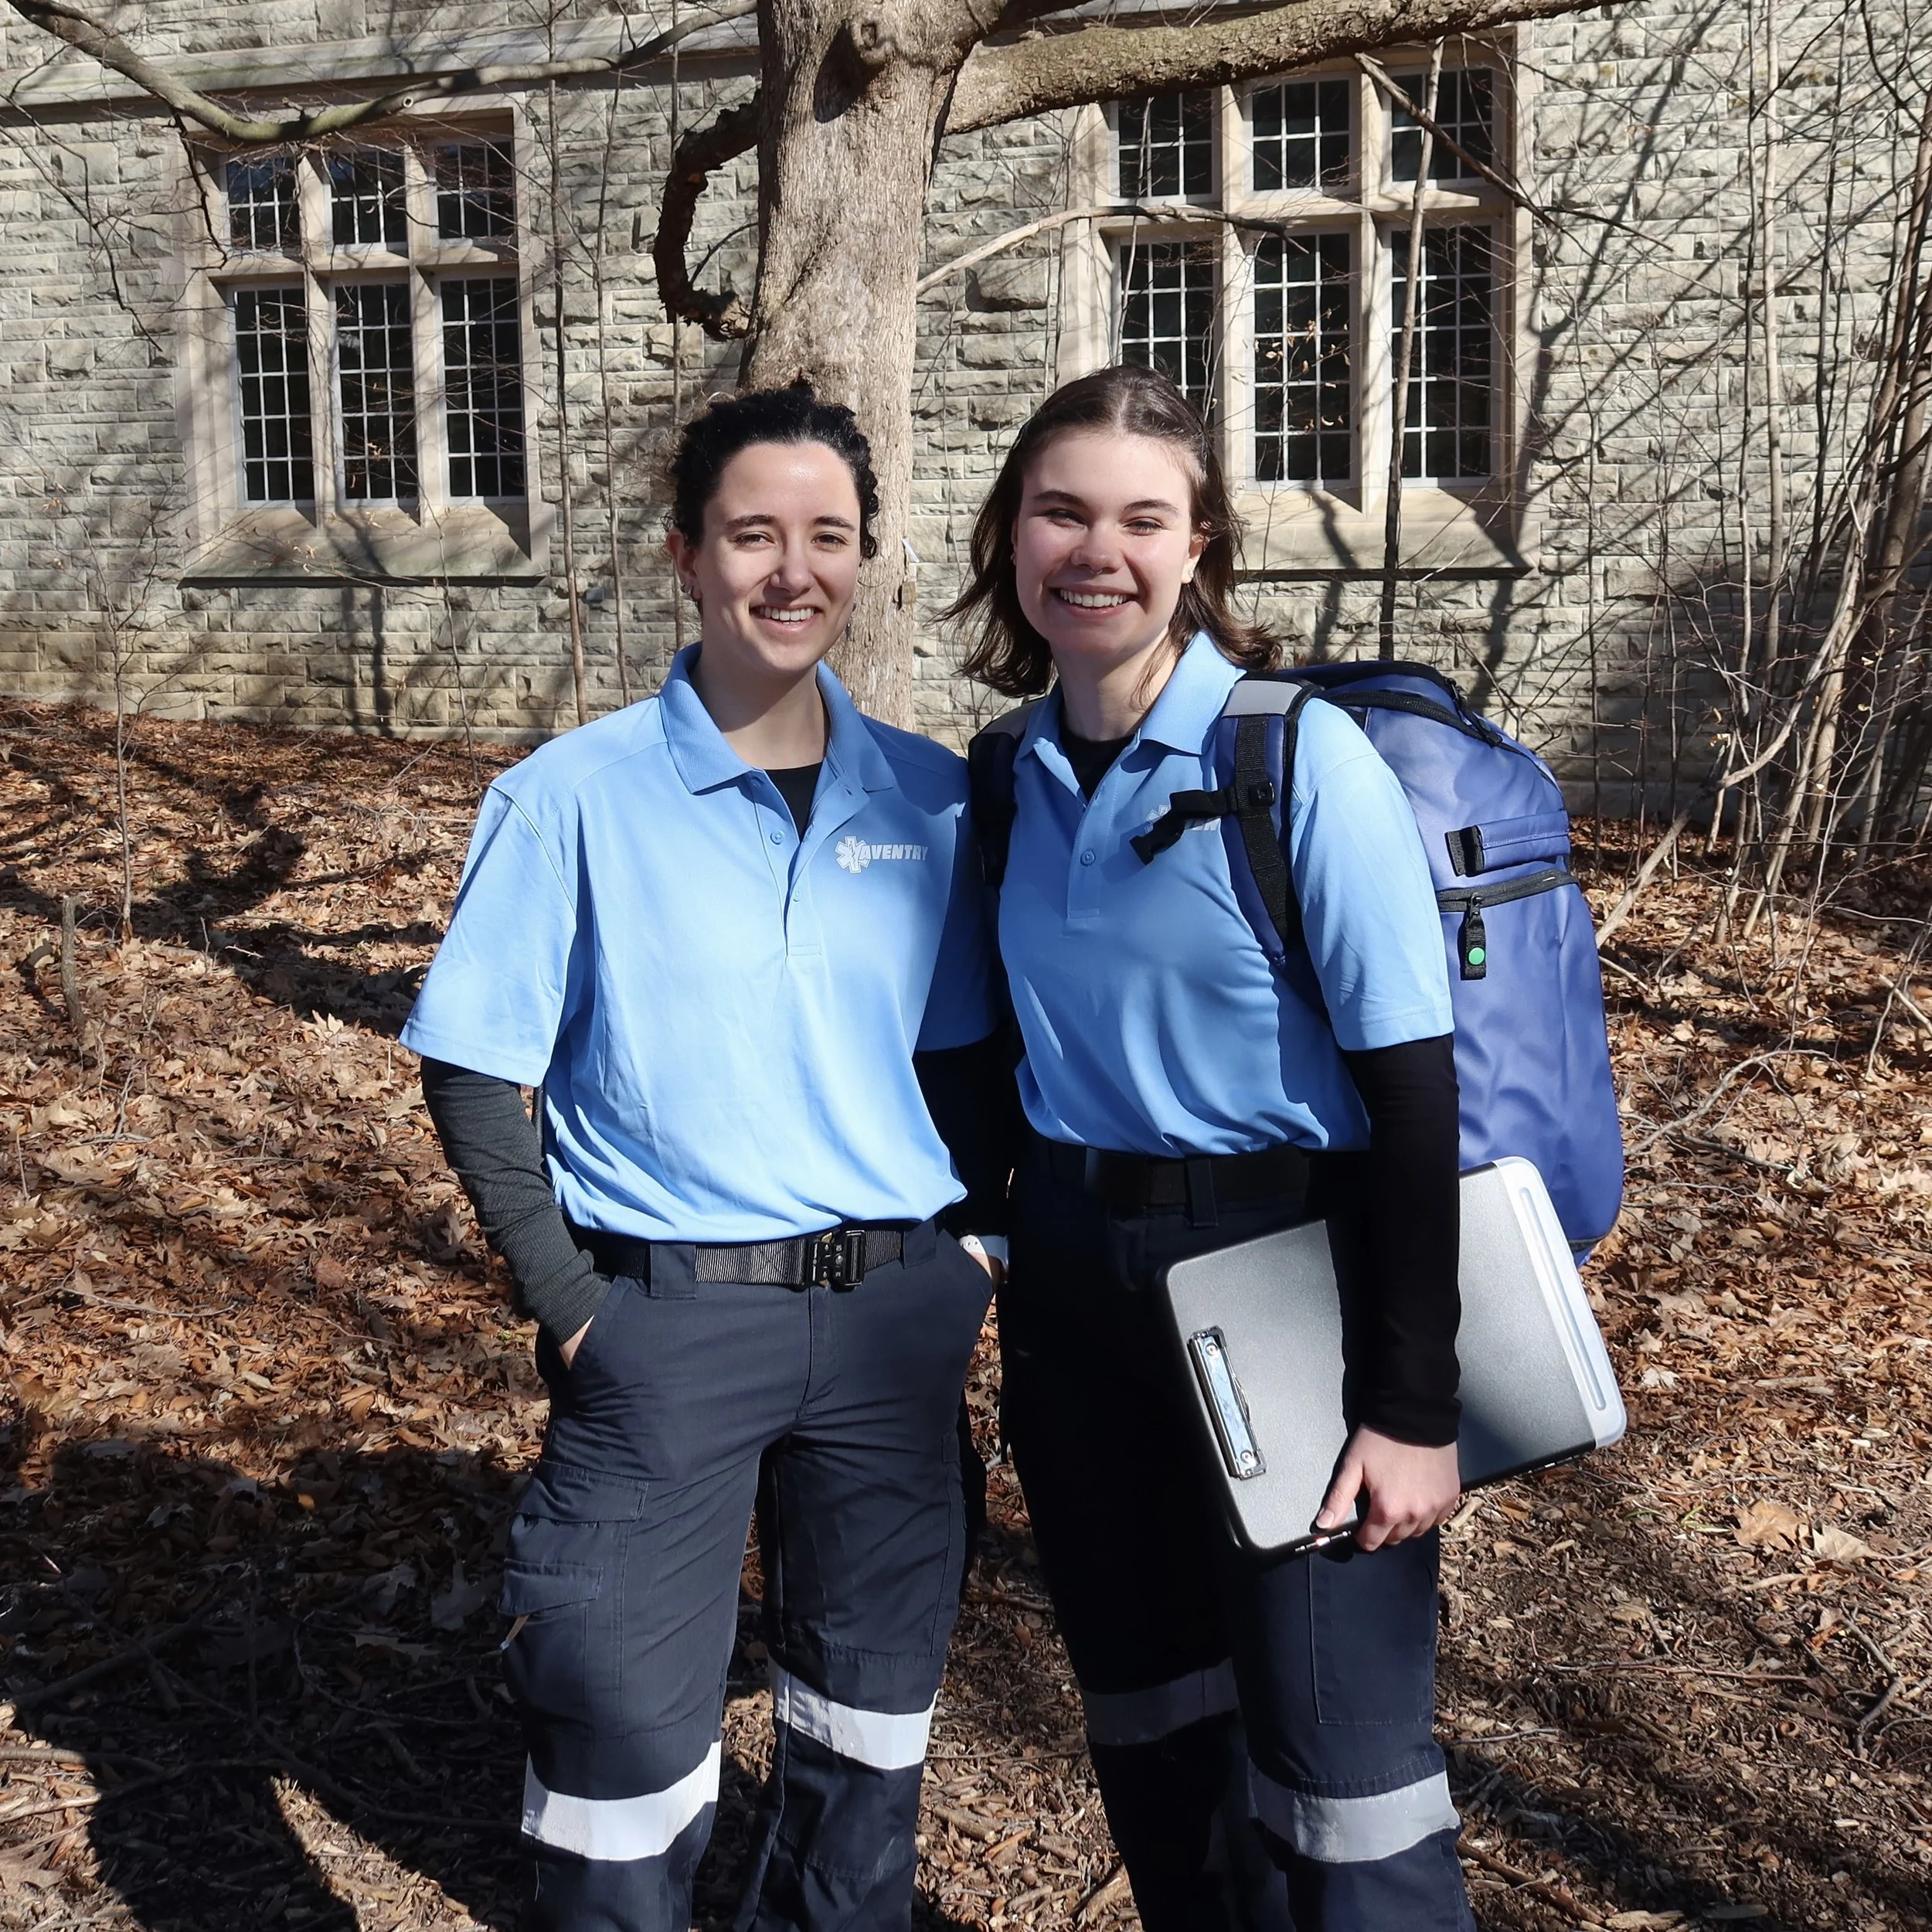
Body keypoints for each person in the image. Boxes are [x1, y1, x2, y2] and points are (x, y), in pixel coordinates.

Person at [401, 385, 1009, 1932]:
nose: (790, 570)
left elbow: (964, 1061)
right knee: (616, 1744)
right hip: (664, 1323)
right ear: (687, 554)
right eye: (753, 533)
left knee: (865, 1739)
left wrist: (976, 1253)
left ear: (864, 555)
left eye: (827, 535)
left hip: (890, 1324)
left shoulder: (931, 798)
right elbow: (477, 1068)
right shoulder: (569, 798)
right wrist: (574, 1298)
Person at [947, 365, 1475, 1932]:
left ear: (1196, 551)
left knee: (1342, 1762)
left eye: (1137, 516)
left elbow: (1413, 1103)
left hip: (1282, 1279)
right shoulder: (1002, 772)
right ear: (1010, 537)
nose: (1092, 549)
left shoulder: (1291, 762)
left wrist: (1409, 1402)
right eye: (1059, 510)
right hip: (1073, 1299)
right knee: (1151, 1718)